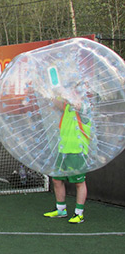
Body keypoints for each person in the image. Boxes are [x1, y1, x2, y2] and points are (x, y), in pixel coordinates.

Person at [44, 86, 92, 224]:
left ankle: (79, 213)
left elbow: (75, 104)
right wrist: (48, 91)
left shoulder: (84, 107)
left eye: (76, 91)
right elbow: (55, 102)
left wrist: (63, 92)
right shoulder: (67, 107)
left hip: (77, 151)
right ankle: (61, 209)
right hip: (63, 150)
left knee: (79, 182)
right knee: (56, 180)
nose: (74, 93)